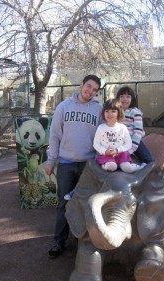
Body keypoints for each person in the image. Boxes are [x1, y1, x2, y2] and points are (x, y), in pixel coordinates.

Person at [45, 74, 103, 257]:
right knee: (63, 203)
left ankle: (83, 239)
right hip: (66, 163)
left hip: (88, 164)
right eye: (89, 87)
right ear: (81, 84)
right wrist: (50, 160)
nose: (90, 91)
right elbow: (54, 135)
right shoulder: (64, 107)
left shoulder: (99, 110)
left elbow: (103, 136)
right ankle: (59, 241)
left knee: (86, 203)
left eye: (95, 90)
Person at [93, 99, 142, 173]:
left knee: (127, 168)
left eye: (113, 111)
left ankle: (140, 167)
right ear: (103, 113)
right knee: (111, 166)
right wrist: (105, 151)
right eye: (107, 111)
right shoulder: (101, 128)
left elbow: (128, 144)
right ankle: (103, 165)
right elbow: (96, 144)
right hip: (106, 156)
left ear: (119, 113)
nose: (109, 114)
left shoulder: (123, 128)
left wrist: (118, 150)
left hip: (121, 155)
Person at [116, 86, 154, 166]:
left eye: (128, 96)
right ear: (118, 99)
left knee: (148, 160)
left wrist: (131, 149)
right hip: (120, 141)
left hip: (134, 140)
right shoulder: (116, 112)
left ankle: (152, 171)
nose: (125, 99)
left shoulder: (135, 112)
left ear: (132, 99)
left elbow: (138, 131)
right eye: (122, 96)